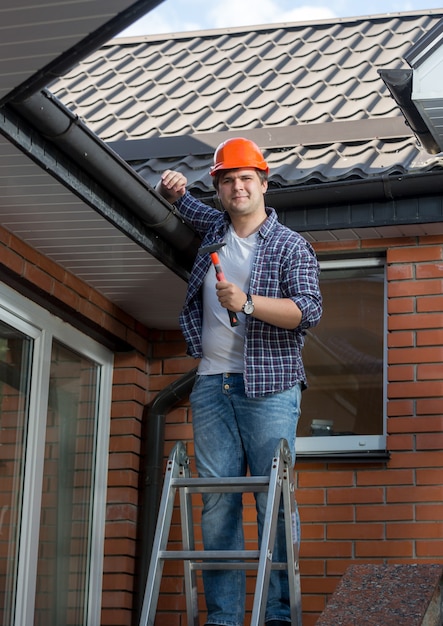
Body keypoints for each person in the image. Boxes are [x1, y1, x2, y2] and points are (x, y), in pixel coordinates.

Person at [156, 137, 322, 626]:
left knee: (273, 499)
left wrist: (246, 303)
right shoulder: (214, 230)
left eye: (246, 178)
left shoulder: (291, 246)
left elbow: (307, 312)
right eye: (228, 180)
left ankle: (277, 615)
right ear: (220, 189)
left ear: (264, 183)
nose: (237, 187)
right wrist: (173, 189)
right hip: (211, 386)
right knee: (217, 504)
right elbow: (185, 205)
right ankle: (224, 618)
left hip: (270, 387)